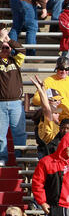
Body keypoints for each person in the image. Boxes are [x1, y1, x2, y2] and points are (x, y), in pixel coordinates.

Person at [0, 32, 26, 167]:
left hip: (16, 102)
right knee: (0, 135)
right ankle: (2, 158)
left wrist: (9, 40)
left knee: (19, 133)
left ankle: (19, 158)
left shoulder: (16, 60)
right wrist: (1, 40)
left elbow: (22, 50)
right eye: (2, 48)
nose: (5, 50)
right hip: (0, 104)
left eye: (7, 48)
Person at [32, 56, 69, 122]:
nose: (64, 71)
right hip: (53, 117)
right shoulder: (48, 81)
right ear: (56, 69)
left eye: (66, 69)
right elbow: (35, 100)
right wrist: (49, 101)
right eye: (61, 69)